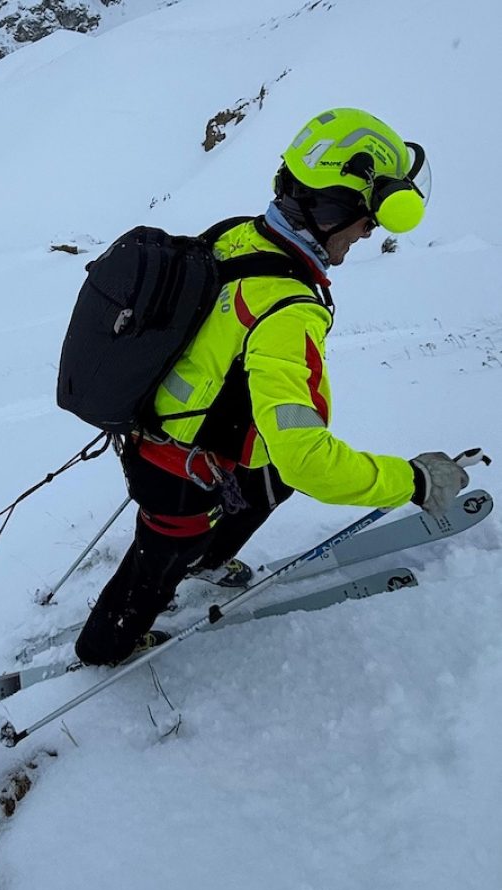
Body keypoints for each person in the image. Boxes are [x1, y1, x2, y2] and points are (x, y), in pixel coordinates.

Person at [75, 107, 469, 667]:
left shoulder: (243, 235)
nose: (368, 234)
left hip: (165, 432)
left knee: (271, 480)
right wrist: (412, 482)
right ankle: (105, 646)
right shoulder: (287, 308)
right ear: (336, 211)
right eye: (368, 221)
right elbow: (307, 458)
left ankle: (206, 558)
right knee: (156, 564)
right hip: (178, 475)